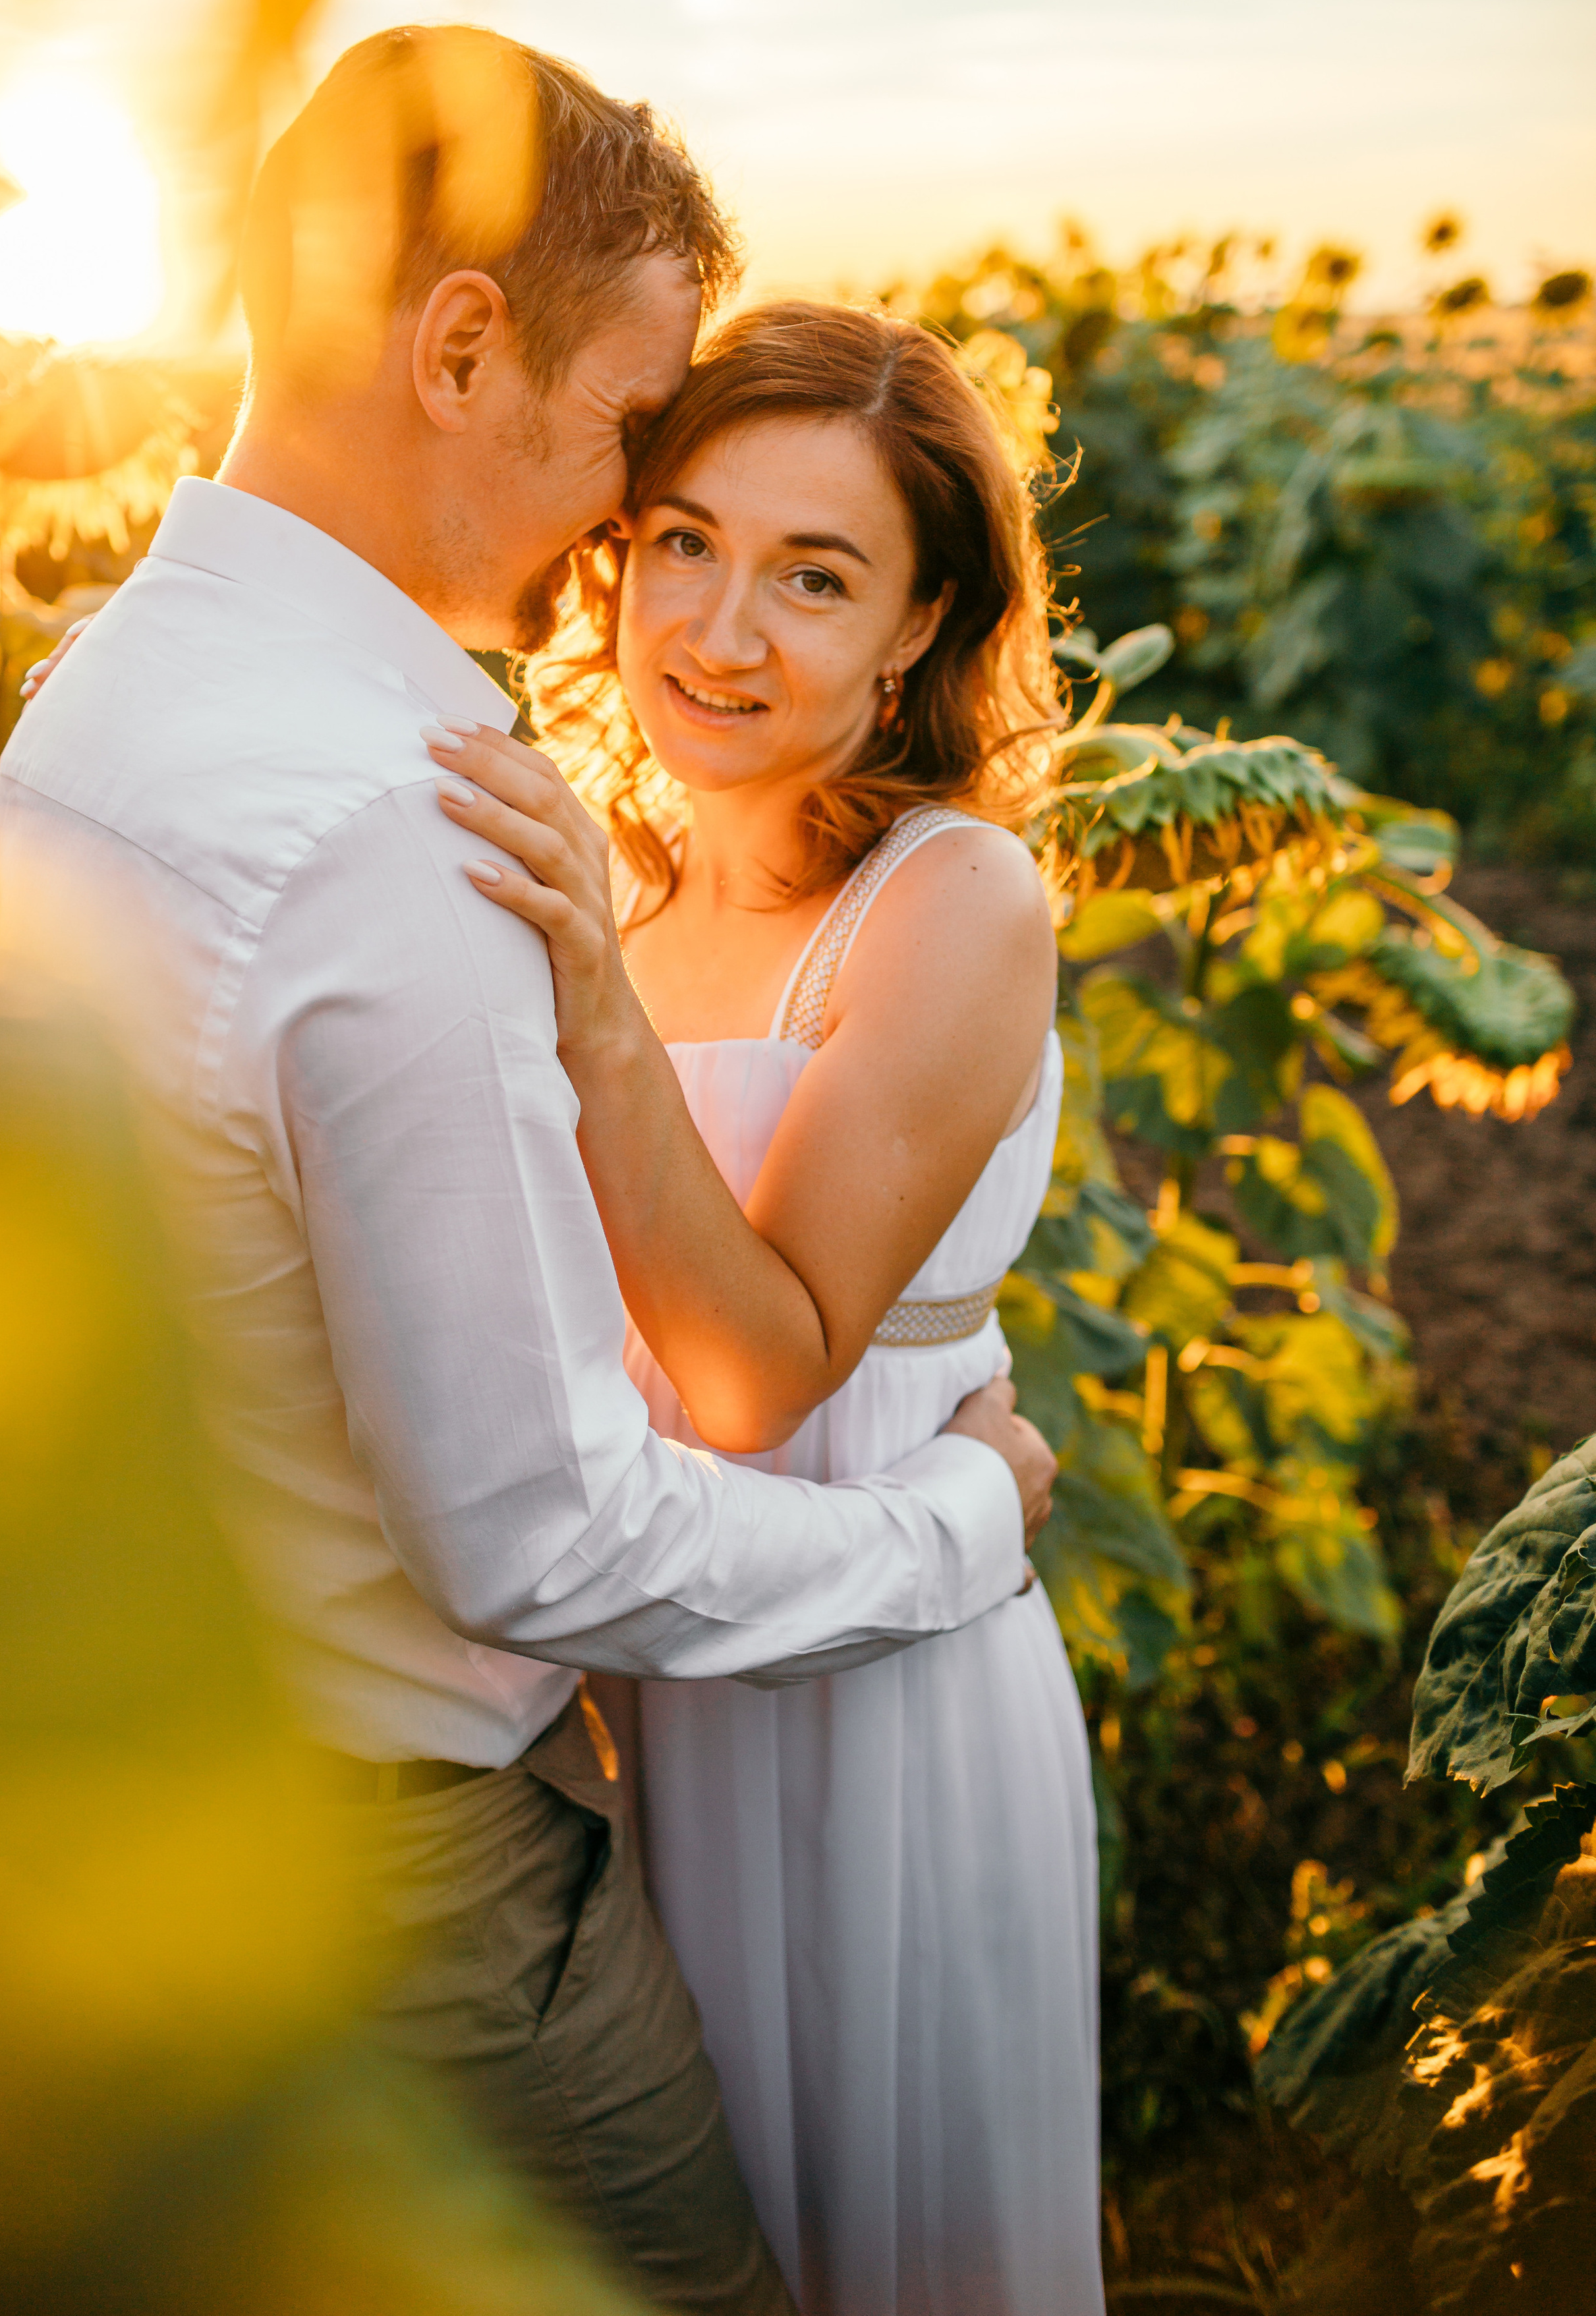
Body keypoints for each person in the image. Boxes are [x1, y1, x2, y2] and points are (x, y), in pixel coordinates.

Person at [0, 25, 1057, 2315]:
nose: (623, 537)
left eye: (810, 575)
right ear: (462, 345)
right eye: (630, 452)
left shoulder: (100, 702)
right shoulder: (404, 818)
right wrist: (961, 1517)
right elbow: (533, 1530)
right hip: (444, 1857)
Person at [421, 300, 1106, 2315]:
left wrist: (587, 1007)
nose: (720, 630)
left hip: (874, 1698)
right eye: (686, 543)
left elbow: (748, 1373)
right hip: (652, 1679)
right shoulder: (617, 891)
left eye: (817, 577)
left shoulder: (950, 903)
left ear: (919, 627)